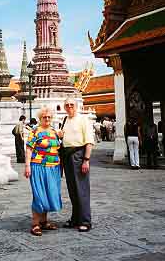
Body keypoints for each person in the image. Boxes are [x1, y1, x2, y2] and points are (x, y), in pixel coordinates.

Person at [24, 106, 62, 236]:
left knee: (48, 193)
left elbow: (58, 147)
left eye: (49, 117)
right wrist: (27, 166)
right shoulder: (35, 131)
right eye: (44, 117)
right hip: (38, 166)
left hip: (53, 167)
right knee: (39, 195)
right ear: (40, 118)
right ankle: (35, 224)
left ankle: (44, 221)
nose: (47, 119)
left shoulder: (53, 131)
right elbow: (29, 149)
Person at [61, 97, 94, 232]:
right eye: (67, 105)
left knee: (82, 190)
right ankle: (75, 218)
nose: (69, 107)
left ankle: (85, 221)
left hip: (79, 155)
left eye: (72, 105)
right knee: (72, 190)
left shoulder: (83, 119)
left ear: (77, 106)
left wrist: (86, 159)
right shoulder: (65, 120)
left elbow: (89, 141)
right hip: (67, 156)